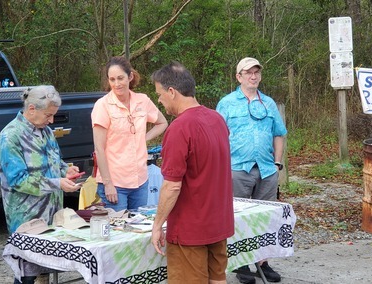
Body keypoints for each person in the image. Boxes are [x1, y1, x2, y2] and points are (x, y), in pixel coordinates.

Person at [150, 61, 234, 284]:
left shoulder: (179, 128)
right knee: (218, 280)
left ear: (172, 92)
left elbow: (172, 185)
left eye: (159, 94)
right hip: (218, 223)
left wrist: (157, 225)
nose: (159, 100)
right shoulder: (217, 119)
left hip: (190, 230)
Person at [0, 85, 82, 284]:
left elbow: (55, 162)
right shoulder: (10, 137)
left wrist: (65, 170)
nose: (51, 120)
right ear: (31, 109)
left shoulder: (47, 132)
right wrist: (57, 183)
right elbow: (18, 180)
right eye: (48, 115)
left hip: (52, 217)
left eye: (53, 116)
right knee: (26, 275)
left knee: (47, 271)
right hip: (27, 220)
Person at [216, 57, 288, 283]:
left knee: (264, 218)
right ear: (239, 77)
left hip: (266, 170)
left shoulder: (268, 103)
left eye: (256, 72)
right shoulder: (227, 103)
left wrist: (277, 163)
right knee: (238, 218)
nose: (253, 76)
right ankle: (242, 265)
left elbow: (279, 133)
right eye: (248, 72)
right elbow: (217, 137)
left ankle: (263, 264)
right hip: (237, 169)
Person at [91, 56, 168, 211]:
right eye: (112, 79)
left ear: (130, 76)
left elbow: (162, 123)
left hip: (140, 180)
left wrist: (143, 139)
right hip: (115, 183)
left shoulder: (143, 100)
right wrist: (108, 184)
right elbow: (99, 149)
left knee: (139, 227)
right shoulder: (102, 105)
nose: (117, 84)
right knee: (119, 232)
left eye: (120, 78)